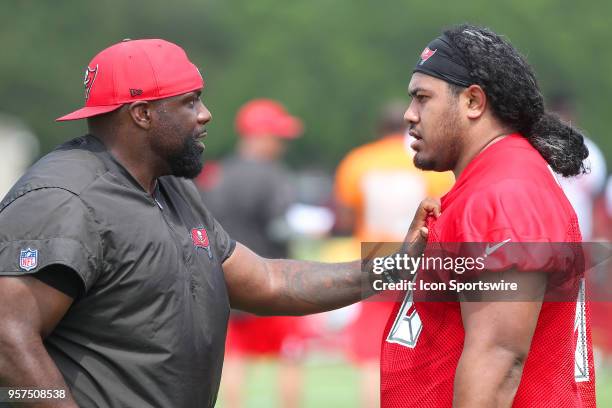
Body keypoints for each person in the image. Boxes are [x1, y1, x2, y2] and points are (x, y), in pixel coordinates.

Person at [0, 38, 433, 408]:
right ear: (142, 113)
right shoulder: (64, 198)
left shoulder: (169, 186)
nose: (205, 115)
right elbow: (7, 338)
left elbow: (266, 280)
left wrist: (392, 266)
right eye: (190, 102)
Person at [380, 25, 596, 407]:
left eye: (422, 98)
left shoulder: (505, 194)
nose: (409, 115)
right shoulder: (490, 185)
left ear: (473, 102)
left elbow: (499, 359)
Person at [333, 101, 453, 408]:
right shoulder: (427, 161)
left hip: (373, 255)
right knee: (420, 344)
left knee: (372, 353)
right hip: (416, 257)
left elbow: (345, 217)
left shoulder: (358, 161)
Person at [201, 98, 305, 408]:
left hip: (227, 281)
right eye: (278, 138)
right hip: (272, 279)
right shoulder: (274, 176)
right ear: (260, 136)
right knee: (291, 357)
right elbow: (281, 226)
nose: (281, 145)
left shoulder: (215, 175)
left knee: (233, 359)